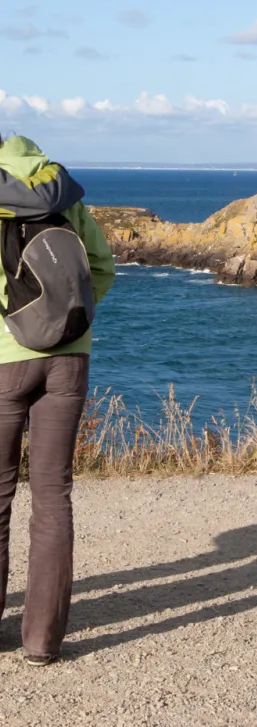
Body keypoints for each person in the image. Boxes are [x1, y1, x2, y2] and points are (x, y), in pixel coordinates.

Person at [0, 134, 115, 665]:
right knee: (53, 496)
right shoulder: (62, 190)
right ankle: (43, 642)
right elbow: (101, 269)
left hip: (4, 359)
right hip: (70, 357)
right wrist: (62, 325)